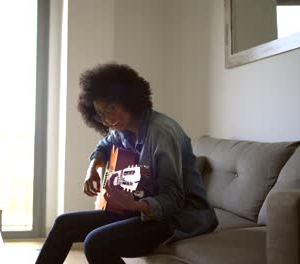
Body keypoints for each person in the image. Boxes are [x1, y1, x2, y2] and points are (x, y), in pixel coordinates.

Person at [36, 63, 218, 264]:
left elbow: (173, 199)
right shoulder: (122, 129)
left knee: (96, 243)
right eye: (100, 113)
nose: (107, 119)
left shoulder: (162, 133)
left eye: (111, 108)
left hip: (178, 218)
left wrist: (137, 204)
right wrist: (93, 168)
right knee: (64, 224)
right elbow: (104, 145)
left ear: (129, 99)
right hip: (141, 210)